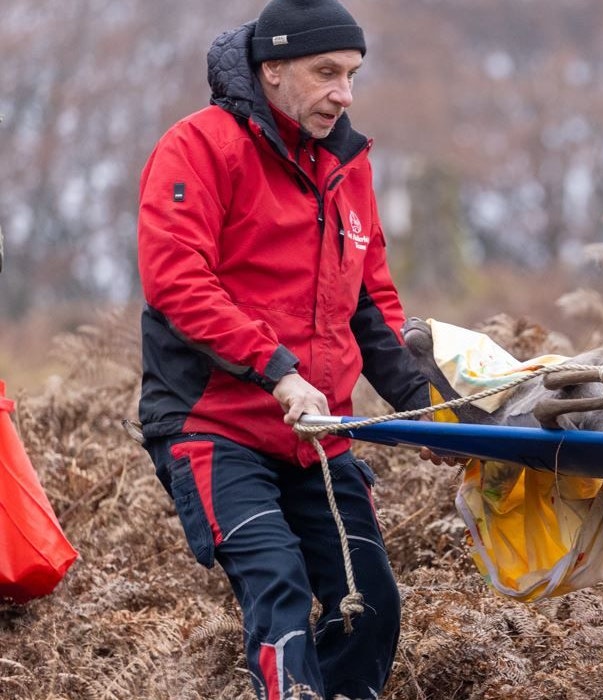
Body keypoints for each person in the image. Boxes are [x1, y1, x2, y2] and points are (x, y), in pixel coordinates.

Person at [136, 1, 434, 697]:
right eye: (326, 73)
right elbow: (177, 283)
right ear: (271, 70)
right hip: (213, 428)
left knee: (371, 605)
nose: (344, 93)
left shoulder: (348, 164)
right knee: (281, 591)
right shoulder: (197, 147)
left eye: (353, 74)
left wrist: (428, 412)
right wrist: (279, 372)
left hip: (317, 437)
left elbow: (370, 303)